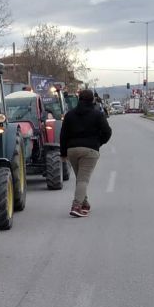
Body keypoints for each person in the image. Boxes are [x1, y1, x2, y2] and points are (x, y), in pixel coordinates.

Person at [59, 88, 112, 218]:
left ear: (79, 99)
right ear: (92, 100)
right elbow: (107, 132)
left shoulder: (69, 115)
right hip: (90, 150)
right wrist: (98, 143)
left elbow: (63, 135)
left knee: (80, 178)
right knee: (83, 179)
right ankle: (76, 206)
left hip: (72, 150)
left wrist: (63, 152)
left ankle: (85, 204)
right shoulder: (97, 115)